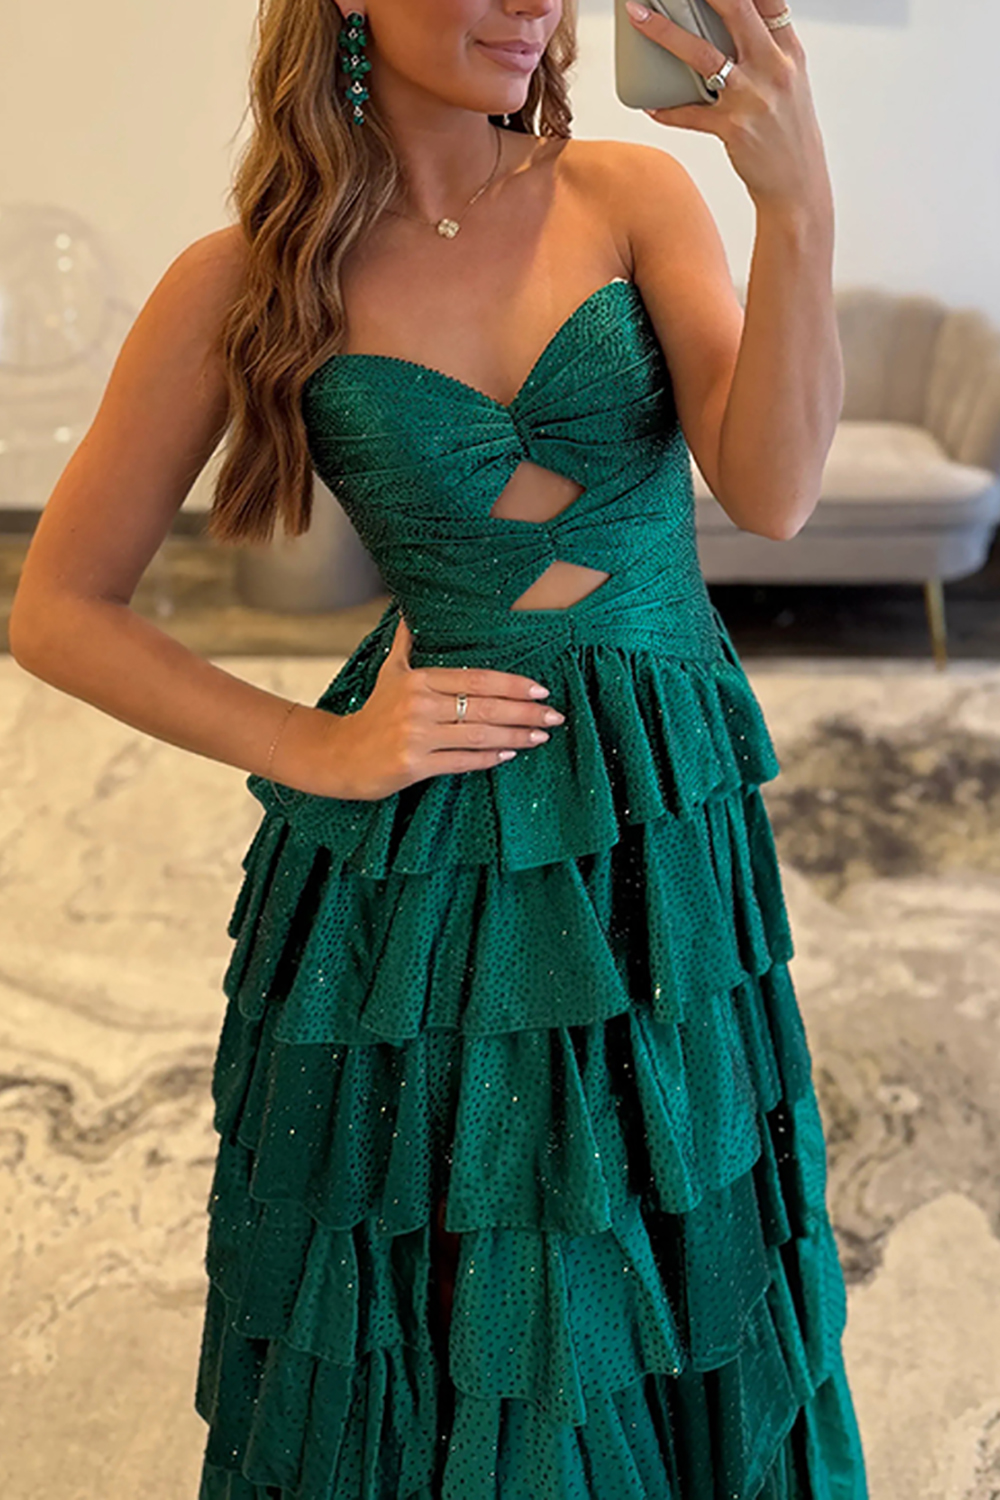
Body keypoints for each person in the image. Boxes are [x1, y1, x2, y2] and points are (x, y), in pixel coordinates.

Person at [10, 0, 870, 1494]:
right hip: (430, 858)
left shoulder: (630, 196)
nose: (533, 2)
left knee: (675, 1209)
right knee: (464, 1265)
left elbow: (776, 491)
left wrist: (797, 206)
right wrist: (316, 747)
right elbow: (56, 609)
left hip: (658, 820)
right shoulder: (246, 280)